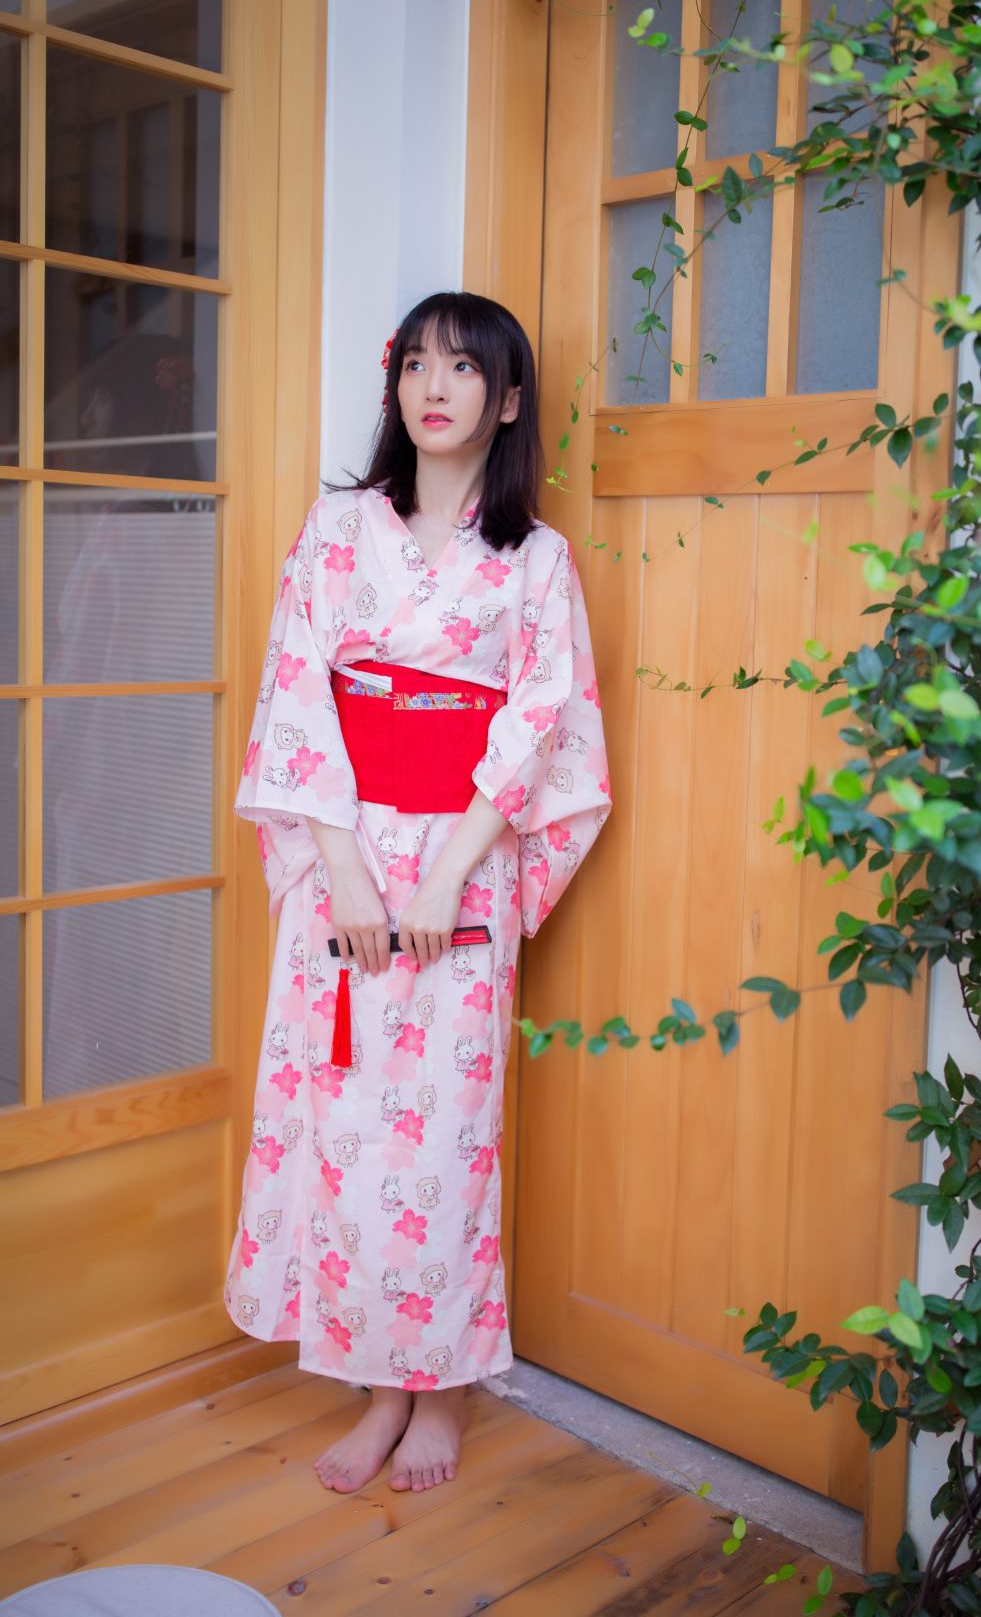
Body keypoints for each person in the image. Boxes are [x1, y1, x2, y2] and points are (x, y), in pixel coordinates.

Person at [223, 291, 611, 1496]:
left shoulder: (536, 560)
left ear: (509, 401)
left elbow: (542, 721)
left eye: (464, 369)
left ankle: (438, 1390)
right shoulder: (339, 530)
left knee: (443, 1142)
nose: (434, 388)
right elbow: (298, 691)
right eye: (416, 366)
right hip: (339, 859)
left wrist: (447, 875)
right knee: (342, 1130)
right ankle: (375, 1388)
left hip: (464, 867)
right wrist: (342, 868)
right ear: (395, 387)